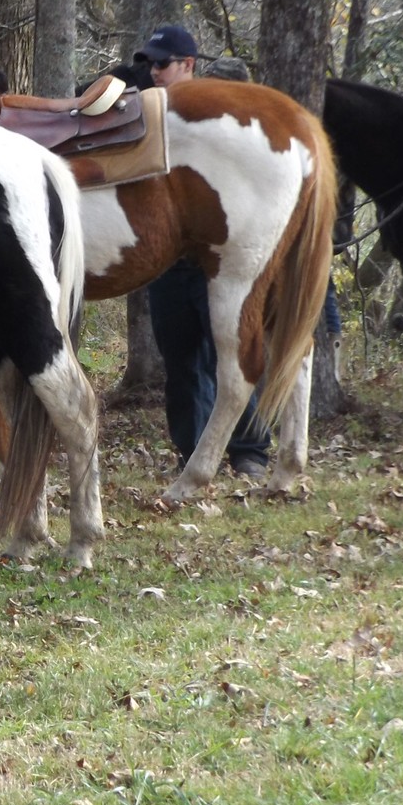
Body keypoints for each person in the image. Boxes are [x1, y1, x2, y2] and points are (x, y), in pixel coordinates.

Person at [135, 24, 272, 478]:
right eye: (150, 64)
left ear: (188, 65)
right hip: (168, 262)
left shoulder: (217, 116)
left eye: (162, 64)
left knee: (232, 354)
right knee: (181, 363)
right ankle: (192, 452)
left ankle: (250, 450)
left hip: (219, 257)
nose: (153, 72)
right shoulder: (146, 115)